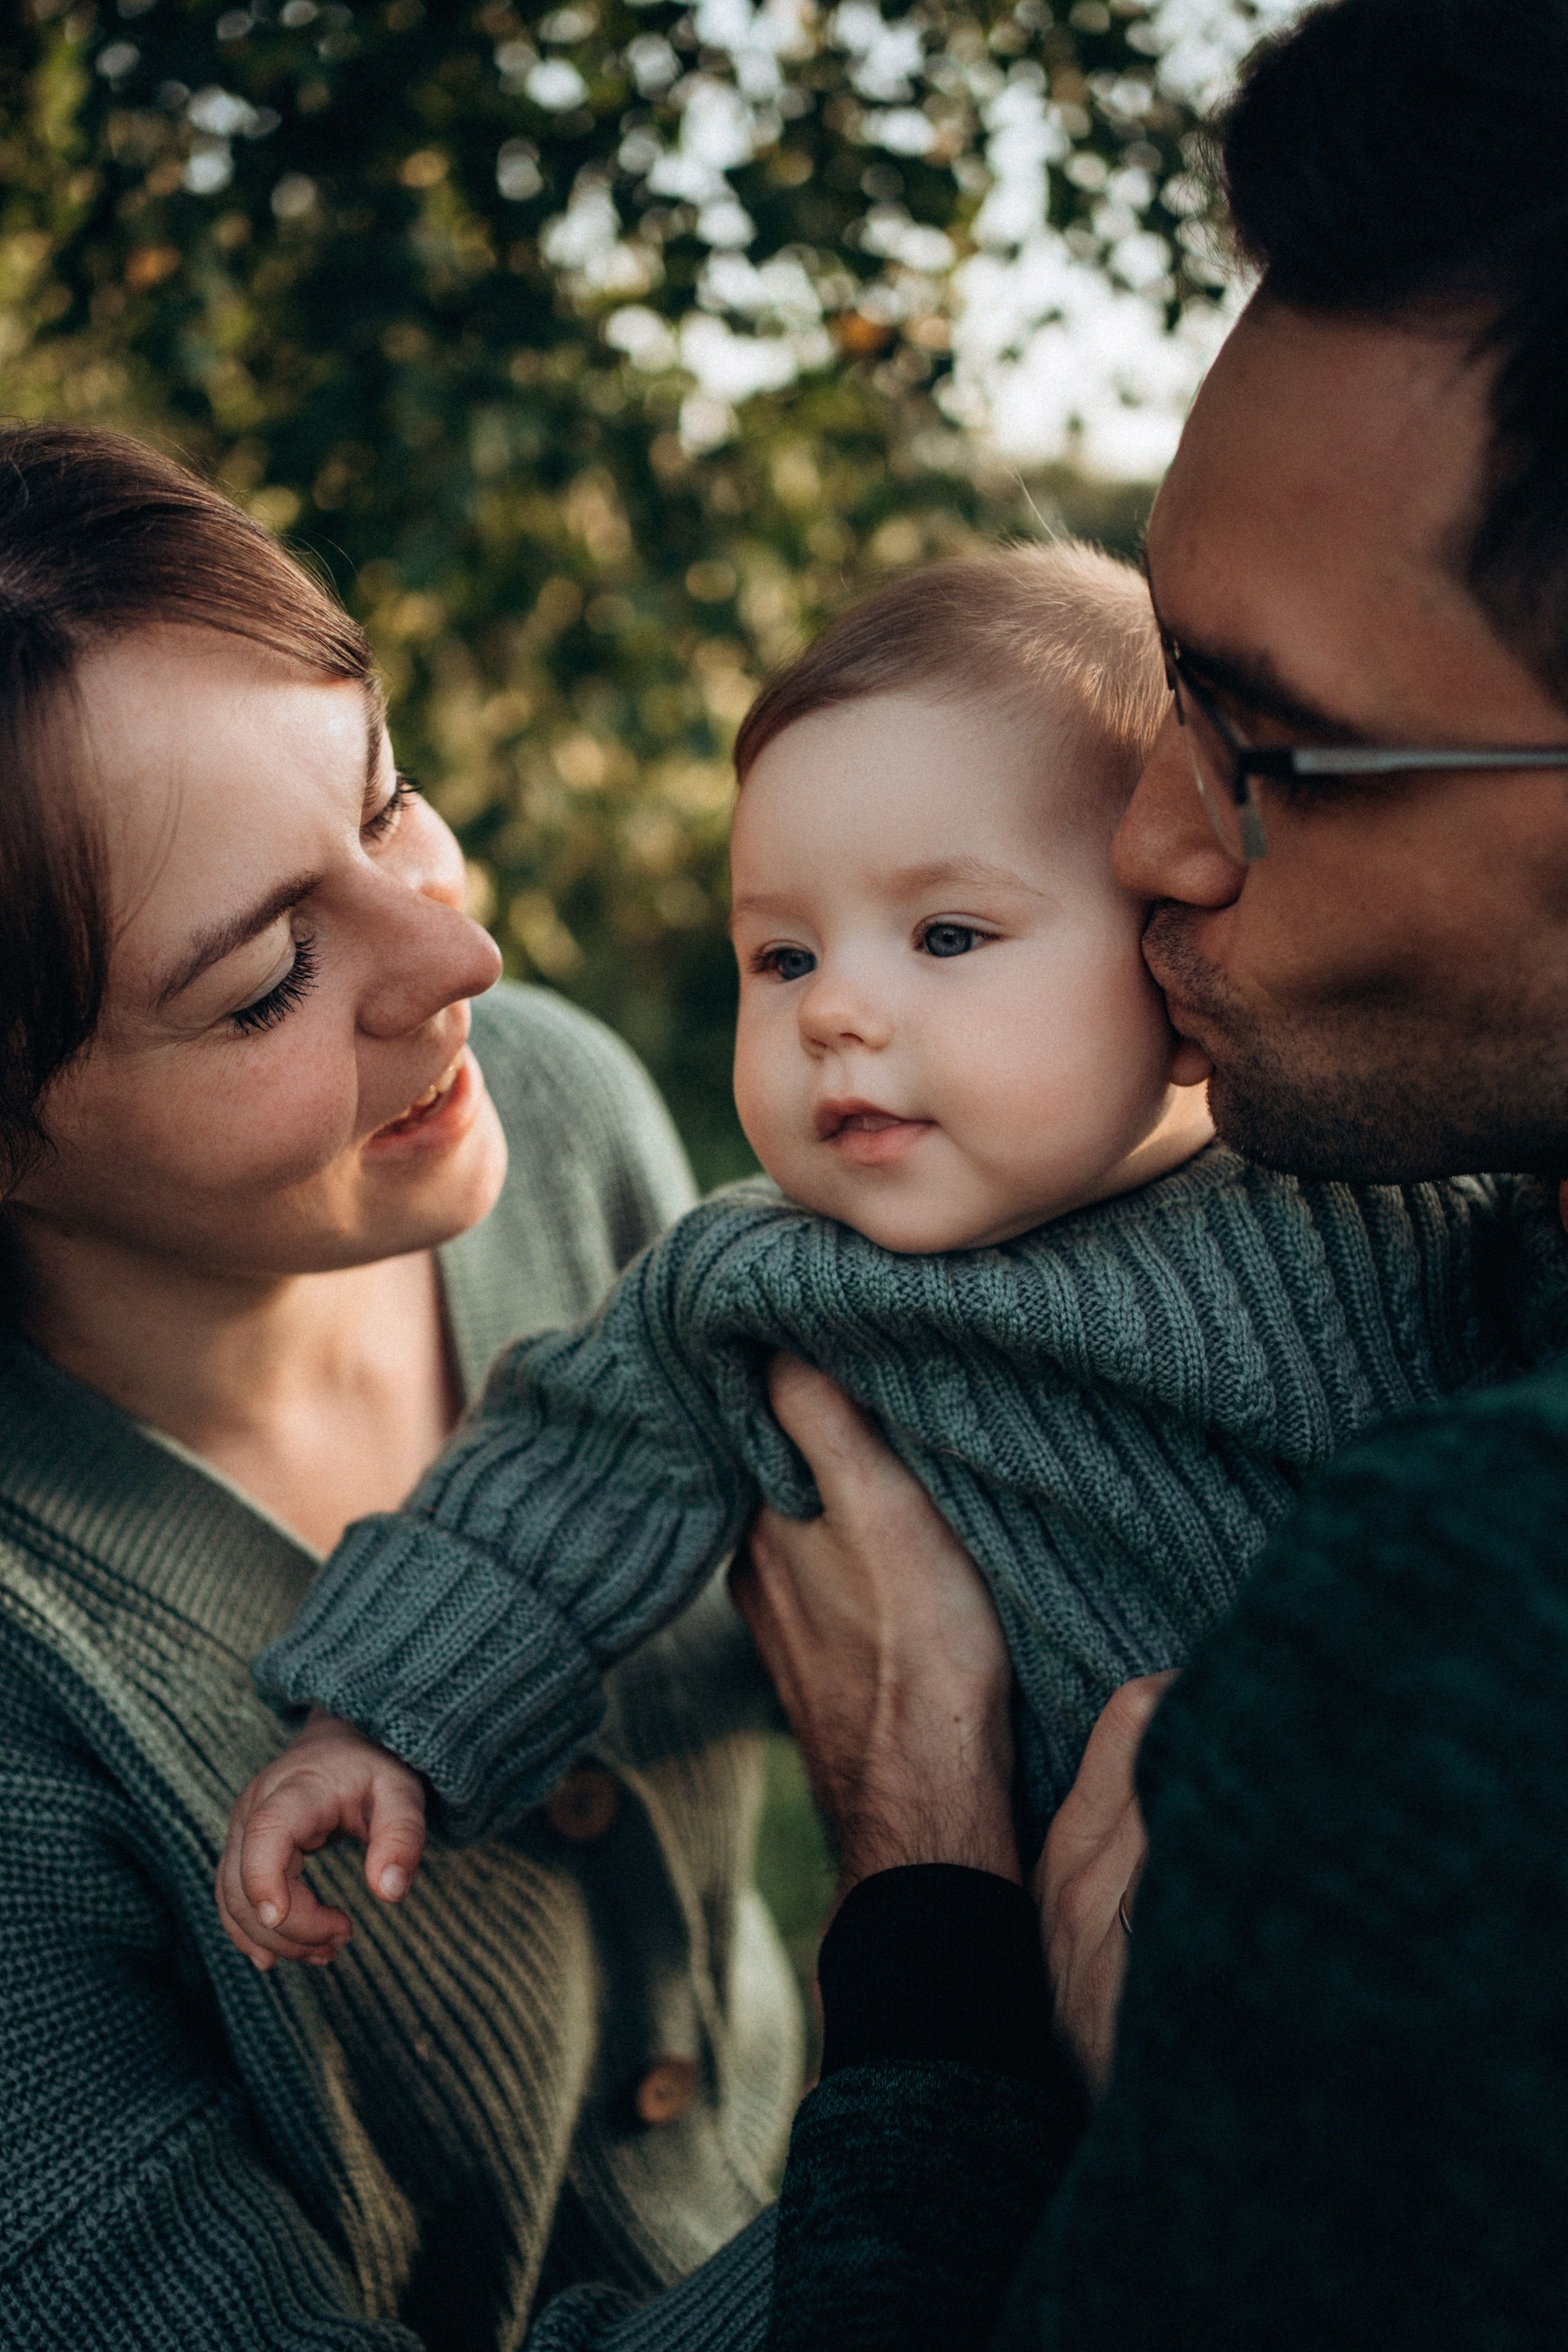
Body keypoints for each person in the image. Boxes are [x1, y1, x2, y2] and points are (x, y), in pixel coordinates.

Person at [728, 1, 1568, 2345]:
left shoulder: (1477, 1620)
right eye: (1162, 699)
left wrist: (932, 1937)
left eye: (1273, 740)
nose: (1152, 836)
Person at [213, 543, 1547, 1973]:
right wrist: (375, 1720)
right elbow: (550, 1491)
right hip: (1041, 1999)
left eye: (946, 933)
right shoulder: (757, 1284)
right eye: (779, 956)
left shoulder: (1393, 1203)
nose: (834, 1009)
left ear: (1172, 950)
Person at [0, 424, 801, 2350]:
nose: (459, 950)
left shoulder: (554, 1108)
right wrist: (1001, 2095)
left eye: (390, 804)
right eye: (270, 973)